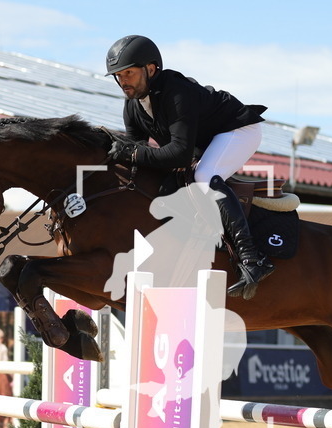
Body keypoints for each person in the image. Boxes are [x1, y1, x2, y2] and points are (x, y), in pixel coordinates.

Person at [104, 35, 273, 299]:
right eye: (118, 75)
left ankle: (253, 259)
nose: (123, 81)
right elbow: (138, 155)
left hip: (238, 130)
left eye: (129, 73)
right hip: (204, 141)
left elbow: (178, 155)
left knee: (205, 176)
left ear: (150, 69)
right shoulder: (132, 106)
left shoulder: (176, 92)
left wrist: (134, 152)